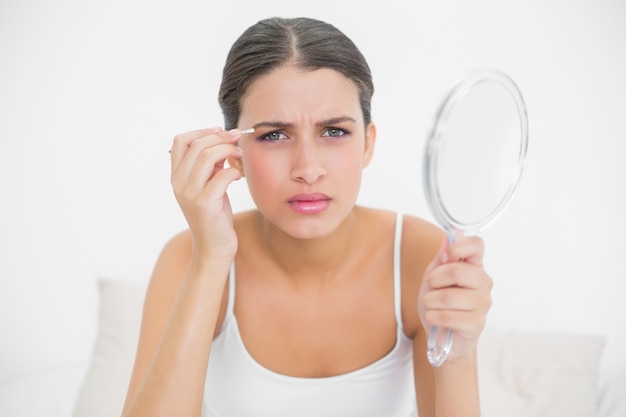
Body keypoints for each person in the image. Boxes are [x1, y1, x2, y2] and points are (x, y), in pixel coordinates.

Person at [121, 16, 492, 417]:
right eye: (273, 135)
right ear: (233, 153)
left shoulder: (420, 255)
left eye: (333, 131)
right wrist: (211, 257)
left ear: (368, 144)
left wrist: (456, 357)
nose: (308, 168)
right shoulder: (188, 258)